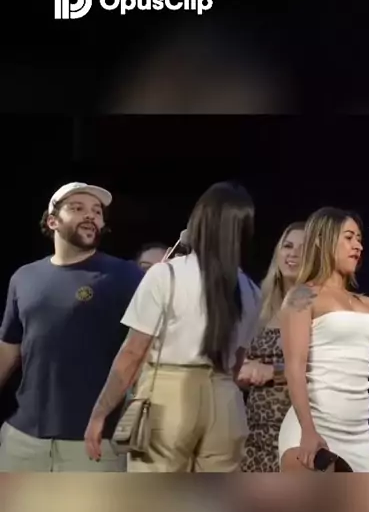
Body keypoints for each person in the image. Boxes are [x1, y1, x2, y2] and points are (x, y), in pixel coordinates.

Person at [84, 181, 261, 472]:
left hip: (170, 398)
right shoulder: (251, 290)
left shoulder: (166, 275)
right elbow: (237, 362)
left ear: (198, 222)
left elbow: (133, 353)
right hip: (226, 401)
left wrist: (100, 412)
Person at [0, 181, 143, 472]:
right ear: (52, 221)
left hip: (94, 442)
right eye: (77, 208)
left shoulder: (126, 276)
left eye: (97, 211)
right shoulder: (24, 277)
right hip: (22, 439)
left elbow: (144, 349)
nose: (90, 215)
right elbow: (8, 349)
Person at [278, 207, 369, 472]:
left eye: (359, 239)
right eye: (349, 237)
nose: (358, 246)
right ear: (322, 240)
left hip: (359, 437)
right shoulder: (303, 295)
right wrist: (308, 430)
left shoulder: (361, 302)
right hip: (314, 428)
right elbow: (294, 367)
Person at [239, 222, 305, 472]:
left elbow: (324, 368)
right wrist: (241, 370)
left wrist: (272, 372)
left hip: (296, 428)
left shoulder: (319, 304)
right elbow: (238, 363)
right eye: (287, 246)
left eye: (303, 249)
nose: (293, 254)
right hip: (254, 431)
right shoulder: (258, 302)